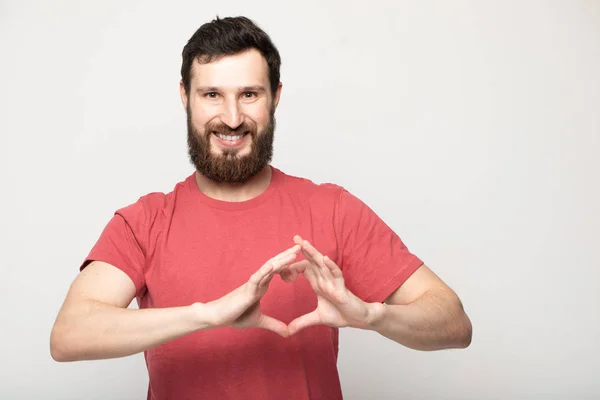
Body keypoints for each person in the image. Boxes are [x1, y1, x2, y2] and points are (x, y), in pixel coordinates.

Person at [50, 16, 472, 400]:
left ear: (275, 98)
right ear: (185, 97)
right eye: (212, 94)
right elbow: (69, 335)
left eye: (249, 94)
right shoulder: (144, 222)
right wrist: (208, 315)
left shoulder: (332, 209)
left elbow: (453, 322)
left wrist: (371, 315)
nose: (231, 117)